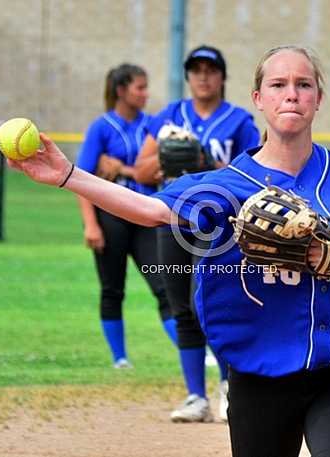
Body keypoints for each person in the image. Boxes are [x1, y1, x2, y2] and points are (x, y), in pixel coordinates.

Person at [9, 45, 330, 457]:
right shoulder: (227, 184)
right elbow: (150, 210)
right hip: (259, 376)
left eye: (303, 84)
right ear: (259, 99)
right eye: (278, 84)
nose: (291, 94)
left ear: (318, 98)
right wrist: (68, 175)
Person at [134, 45, 260, 422]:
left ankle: (229, 390)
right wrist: (166, 160)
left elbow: (253, 172)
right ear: (188, 76)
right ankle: (195, 397)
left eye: (211, 69)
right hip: (173, 220)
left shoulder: (239, 120)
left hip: (219, 222)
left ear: (222, 76)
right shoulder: (171, 116)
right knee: (182, 308)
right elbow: (140, 172)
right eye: (196, 69)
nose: (203, 76)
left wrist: (206, 162)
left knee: (213, 305)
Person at [75, 63, 177, 369]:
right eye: (140, 87)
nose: (146, 93)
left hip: (146, 215)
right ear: (121, 91)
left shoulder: (154, 125)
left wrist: (121, 169)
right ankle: (120, 359)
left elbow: (157, 173)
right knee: (112, 288)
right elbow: (82, 180)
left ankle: (196, 352)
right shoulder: (102, 127)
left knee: (164, 286)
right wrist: (91, 225)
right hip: (110, 219)